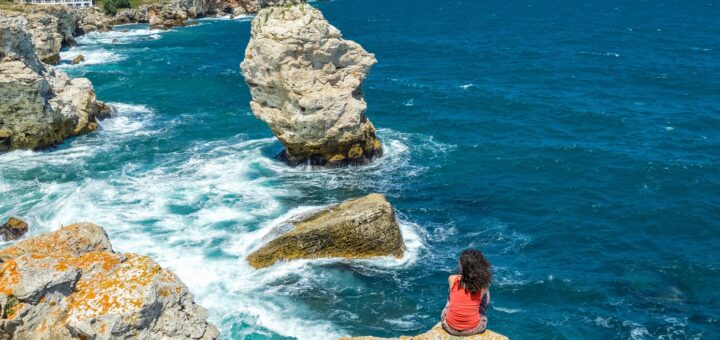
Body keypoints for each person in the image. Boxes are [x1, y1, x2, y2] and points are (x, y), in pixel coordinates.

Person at [440, 249, 492, 336]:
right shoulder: (483, 286)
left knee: (451, 293)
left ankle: (454, 314)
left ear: (461, 265)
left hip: (449, 327)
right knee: (485, 294)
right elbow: (485, 302)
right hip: (473, 329)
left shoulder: (452, 278)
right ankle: (476, 314)